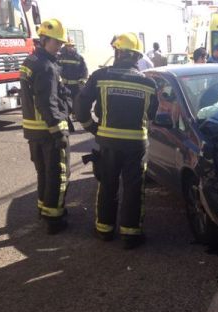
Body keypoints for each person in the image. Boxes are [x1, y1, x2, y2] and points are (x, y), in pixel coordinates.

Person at [76, 32, 159, 249]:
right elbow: (152, 115)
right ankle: (131, 235)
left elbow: (81, 106)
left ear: (117, 52)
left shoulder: (100, 76)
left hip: (109, 143)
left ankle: (104, 230)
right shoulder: (149, 84)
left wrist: (92, 127)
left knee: (108, 185)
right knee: (134, 188)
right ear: (136, 57)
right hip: (136, 145)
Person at [19, 19, 70, 235]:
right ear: (44, 39)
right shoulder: (47, 66)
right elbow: (47, 101)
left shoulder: (30, 60)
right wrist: (58, 130)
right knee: (57, 174)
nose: (59, 46)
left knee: (43, 173)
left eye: (61, 42)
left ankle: (43, 209)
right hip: (48, 130)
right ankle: (54, 219)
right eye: (56, 42)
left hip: (33, 130)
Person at [58, 38, 88, 132]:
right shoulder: (61, 57)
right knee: (65, 104)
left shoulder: (78, 58)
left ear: (73, 47)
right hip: (64, 86)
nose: (69, 48)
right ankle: (68, 123)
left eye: (71, 46)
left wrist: (82, 80)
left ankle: (78, 119)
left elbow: (84, 70)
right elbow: (56, 69)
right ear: (65, 46)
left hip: (76, 86)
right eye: (68, 46)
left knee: (77, 104)